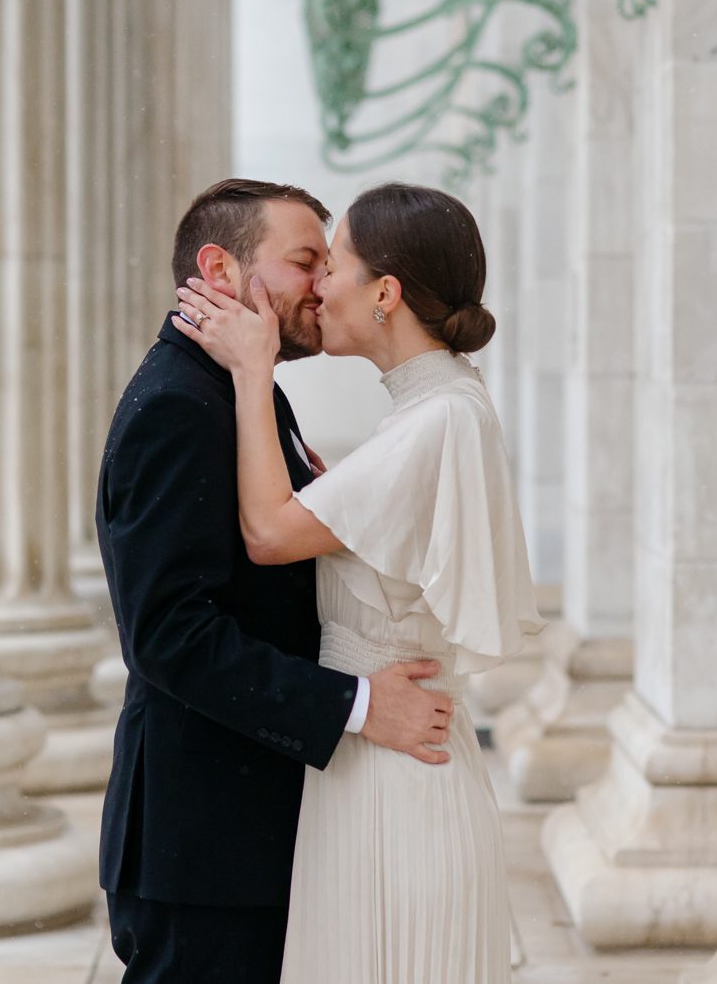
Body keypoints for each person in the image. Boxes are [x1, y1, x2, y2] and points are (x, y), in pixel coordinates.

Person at [173, 180, 541, 984]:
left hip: (397, 778)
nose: (316, 286)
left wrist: (249, 369)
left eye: (329, 263)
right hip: (376, 765)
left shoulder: (439, 415)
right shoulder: (431, 409)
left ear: (385, 292)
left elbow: (269, 533)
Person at [95, 178, 458, 983]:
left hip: (246, 828)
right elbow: (168, 637)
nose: (322, 283)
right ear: (219, 268)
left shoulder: (243, 387)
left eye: (330, 263)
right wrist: (360, 704)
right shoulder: (178, 406)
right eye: (304, 260)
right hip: (204, 844)